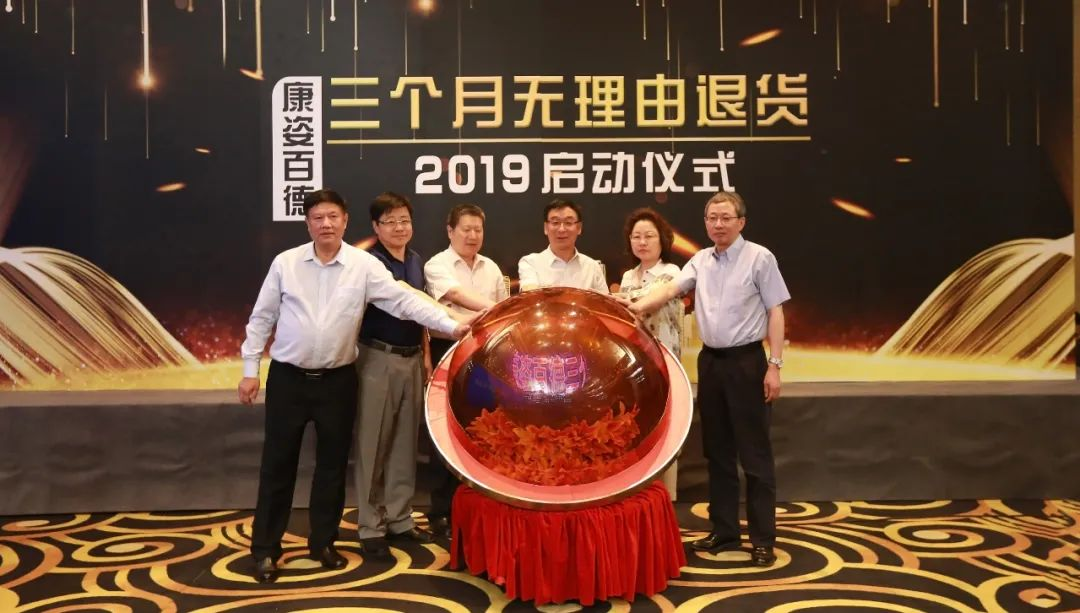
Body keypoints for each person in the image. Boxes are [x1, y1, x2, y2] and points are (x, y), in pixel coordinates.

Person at [239, 189, 468, 583]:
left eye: (333, 216)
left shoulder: (363, 266)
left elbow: (403, 301)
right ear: (307, 223)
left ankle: (323, 544)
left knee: (331, 468)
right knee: (278, 466)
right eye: (318, 217)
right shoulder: (286, 263)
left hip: (338, 380)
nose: (326, 224)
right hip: (289, 379)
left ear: (345, 221)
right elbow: (262, 317)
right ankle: (265, 550)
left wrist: (451, 325)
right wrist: (249, 369)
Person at [626, 191, 789, 567]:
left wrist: (775, 365)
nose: (718, 224)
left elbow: (776, 311)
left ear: (741, 222)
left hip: (748, 362)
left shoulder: (760, 258)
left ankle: (763, 539)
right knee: (717, 452)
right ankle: (725, 530)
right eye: (712, 218)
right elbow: (671, 289)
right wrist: (635, 306)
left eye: (725, 218)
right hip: (711, 363)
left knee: (754, 455)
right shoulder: (700, 260)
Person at [353, 192, 442, 560]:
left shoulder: (417, 260)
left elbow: (421, 314)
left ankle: (400, 519)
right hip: (378, 358)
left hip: (411, 359)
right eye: (390, 221)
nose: (399, 227)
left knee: (405, 442)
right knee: (373, 443)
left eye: (405, 220)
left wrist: (425, 357)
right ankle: (370, 525)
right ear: (376, 227)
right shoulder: (369, 263)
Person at [423, 203, 508, 536]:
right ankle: (441, 511)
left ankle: (479, 506)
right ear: (450, 231)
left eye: (478, 229)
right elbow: (456, 295)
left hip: (486, 357)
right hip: (449, 351)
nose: (473, 236)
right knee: (447, 430)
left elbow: (502, 319)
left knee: (484, 428)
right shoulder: (437, 265)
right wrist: (498, 308)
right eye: (466, 229)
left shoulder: (491, 268)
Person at [616, 207, 684, 500]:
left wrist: (618, 299)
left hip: (664, 360)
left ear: (662, 239)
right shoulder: (628, 276)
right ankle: (640, 496)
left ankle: (666, 498)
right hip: (635, 364)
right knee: (638, 427)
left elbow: (649, 299)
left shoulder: (672, 272)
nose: (642, 242)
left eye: (649, 236)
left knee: (666, 428)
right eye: (636, 237)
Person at [517, 198, 609, 293]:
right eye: (555, 222)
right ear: (546, 228)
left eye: (568, 223)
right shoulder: (530, 263)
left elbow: (605, 301)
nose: (561, 229)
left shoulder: (592, 267)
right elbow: (530, 296)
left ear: (579, 228)